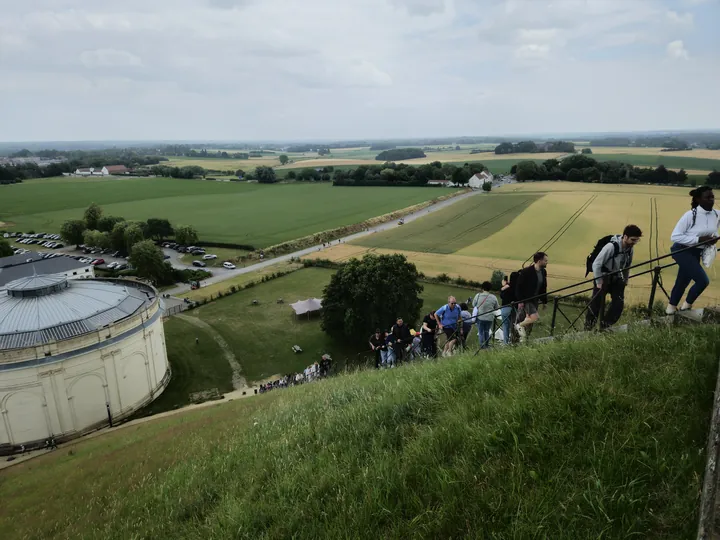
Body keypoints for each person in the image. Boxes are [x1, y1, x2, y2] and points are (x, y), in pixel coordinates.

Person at [667, 186, 720, 314]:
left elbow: (714, 231)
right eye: (707, 197)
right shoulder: (690, 215)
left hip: (697, 252)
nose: (711, 200)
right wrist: (700, 239)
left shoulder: (717, 214)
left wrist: (714, 238)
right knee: (702, 281)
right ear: (698, 199)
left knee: (682, 281)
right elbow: (675, 236)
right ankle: (686, 307)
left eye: (712, 197)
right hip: (681, 250)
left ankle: (670, 310)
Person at [586, 225, 642, 330]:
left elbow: (627, 266)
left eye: (636, 240)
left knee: (618, 304)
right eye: (633, 240)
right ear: (625, 237)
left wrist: (625, 280)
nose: (634, 243)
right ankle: (588, 329)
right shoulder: (611, 247)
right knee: (595, 305)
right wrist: (598, 282)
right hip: (603, 277)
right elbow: (596, 264)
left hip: (616, 278)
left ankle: (605, 326)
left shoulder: (630, 249)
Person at [515, 252, 549, 342]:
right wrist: (521, 301)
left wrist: (544, 301)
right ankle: (519, 326)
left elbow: (543, 287)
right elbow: (519, 287)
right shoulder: (526, 272)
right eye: (545, 261)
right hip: (527, 299)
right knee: (534, 317)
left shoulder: (543, 272)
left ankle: (524, 340)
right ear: (539, 261)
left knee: (529, 322)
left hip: (535, 300)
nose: (547, 262)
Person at [472, 281, 499, 349]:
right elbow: (497, 307)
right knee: (487, 331)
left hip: (480, 317)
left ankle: (482, 346)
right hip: (490, 318)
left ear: (482, 288)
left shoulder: (478, 296)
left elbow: (473, 304)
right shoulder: (493, 297)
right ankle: (486, 345)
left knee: (481, 332)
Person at [499, 275, 514, 345]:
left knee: (505, 325)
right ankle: (513, 340)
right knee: (513, 324)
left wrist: (503, 287)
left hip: (506, 307)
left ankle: (506, 342)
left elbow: (502, 296)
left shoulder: (506, 287)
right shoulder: (516, 286)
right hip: (514, 307)